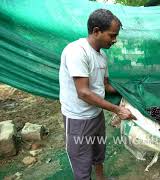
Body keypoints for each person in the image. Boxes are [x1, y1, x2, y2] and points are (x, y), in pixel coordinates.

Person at [59, 9, 135, 180]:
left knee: (98, 152)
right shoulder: (77, 51)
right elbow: (83, 93)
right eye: (112, 35)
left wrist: (130, 90)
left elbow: (105, 86)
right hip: (78, 118)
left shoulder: (101, 57)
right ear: (96, 31)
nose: (114, 40)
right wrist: (117, 110)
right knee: (81, 162)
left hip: (96, 114)